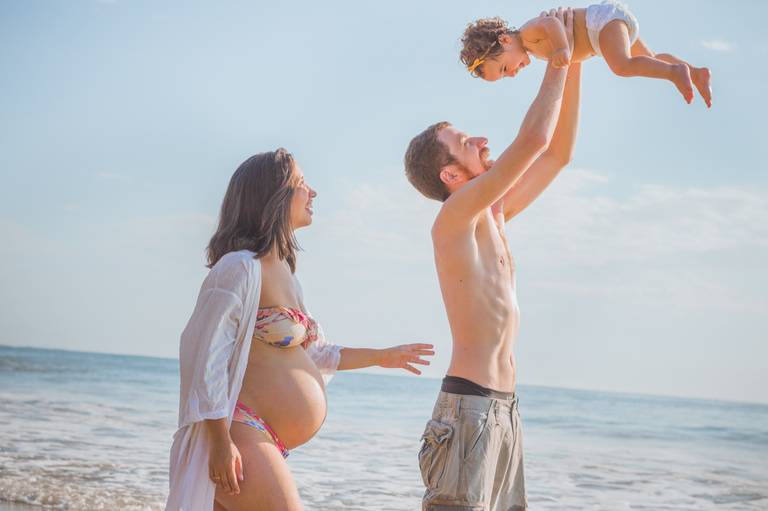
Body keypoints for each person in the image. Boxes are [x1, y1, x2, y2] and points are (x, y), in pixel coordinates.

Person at [165, 148, 434, 511]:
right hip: (239, 429)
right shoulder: (240, 268)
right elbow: (204, 354)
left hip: (264, 437)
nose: (313, 192)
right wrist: (219, 441)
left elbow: (314, 355)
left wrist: (382, 357)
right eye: (301, 184)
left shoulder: (287, 274)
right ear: (273, 197)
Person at [403, 9, 581, 510]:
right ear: (453, 178)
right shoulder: (455, 220)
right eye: (466, 144)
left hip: (505, 409)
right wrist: (559, 59)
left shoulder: (495, 218)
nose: (482, 140)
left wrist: (580, 59)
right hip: (469, 409)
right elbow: (533, 143)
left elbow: (556, 154)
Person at [460, 3, 711, 107]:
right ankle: (694, 71)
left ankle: (674, 72)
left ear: (504, 40)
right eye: (506, 76)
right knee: (650, 58)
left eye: (504, 68)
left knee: (622, 66)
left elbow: (552, 24)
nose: (512, 74)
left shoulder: (527, 34)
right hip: (605, 29)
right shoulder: (534, 50)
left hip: (600, 23)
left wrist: (561, 49)